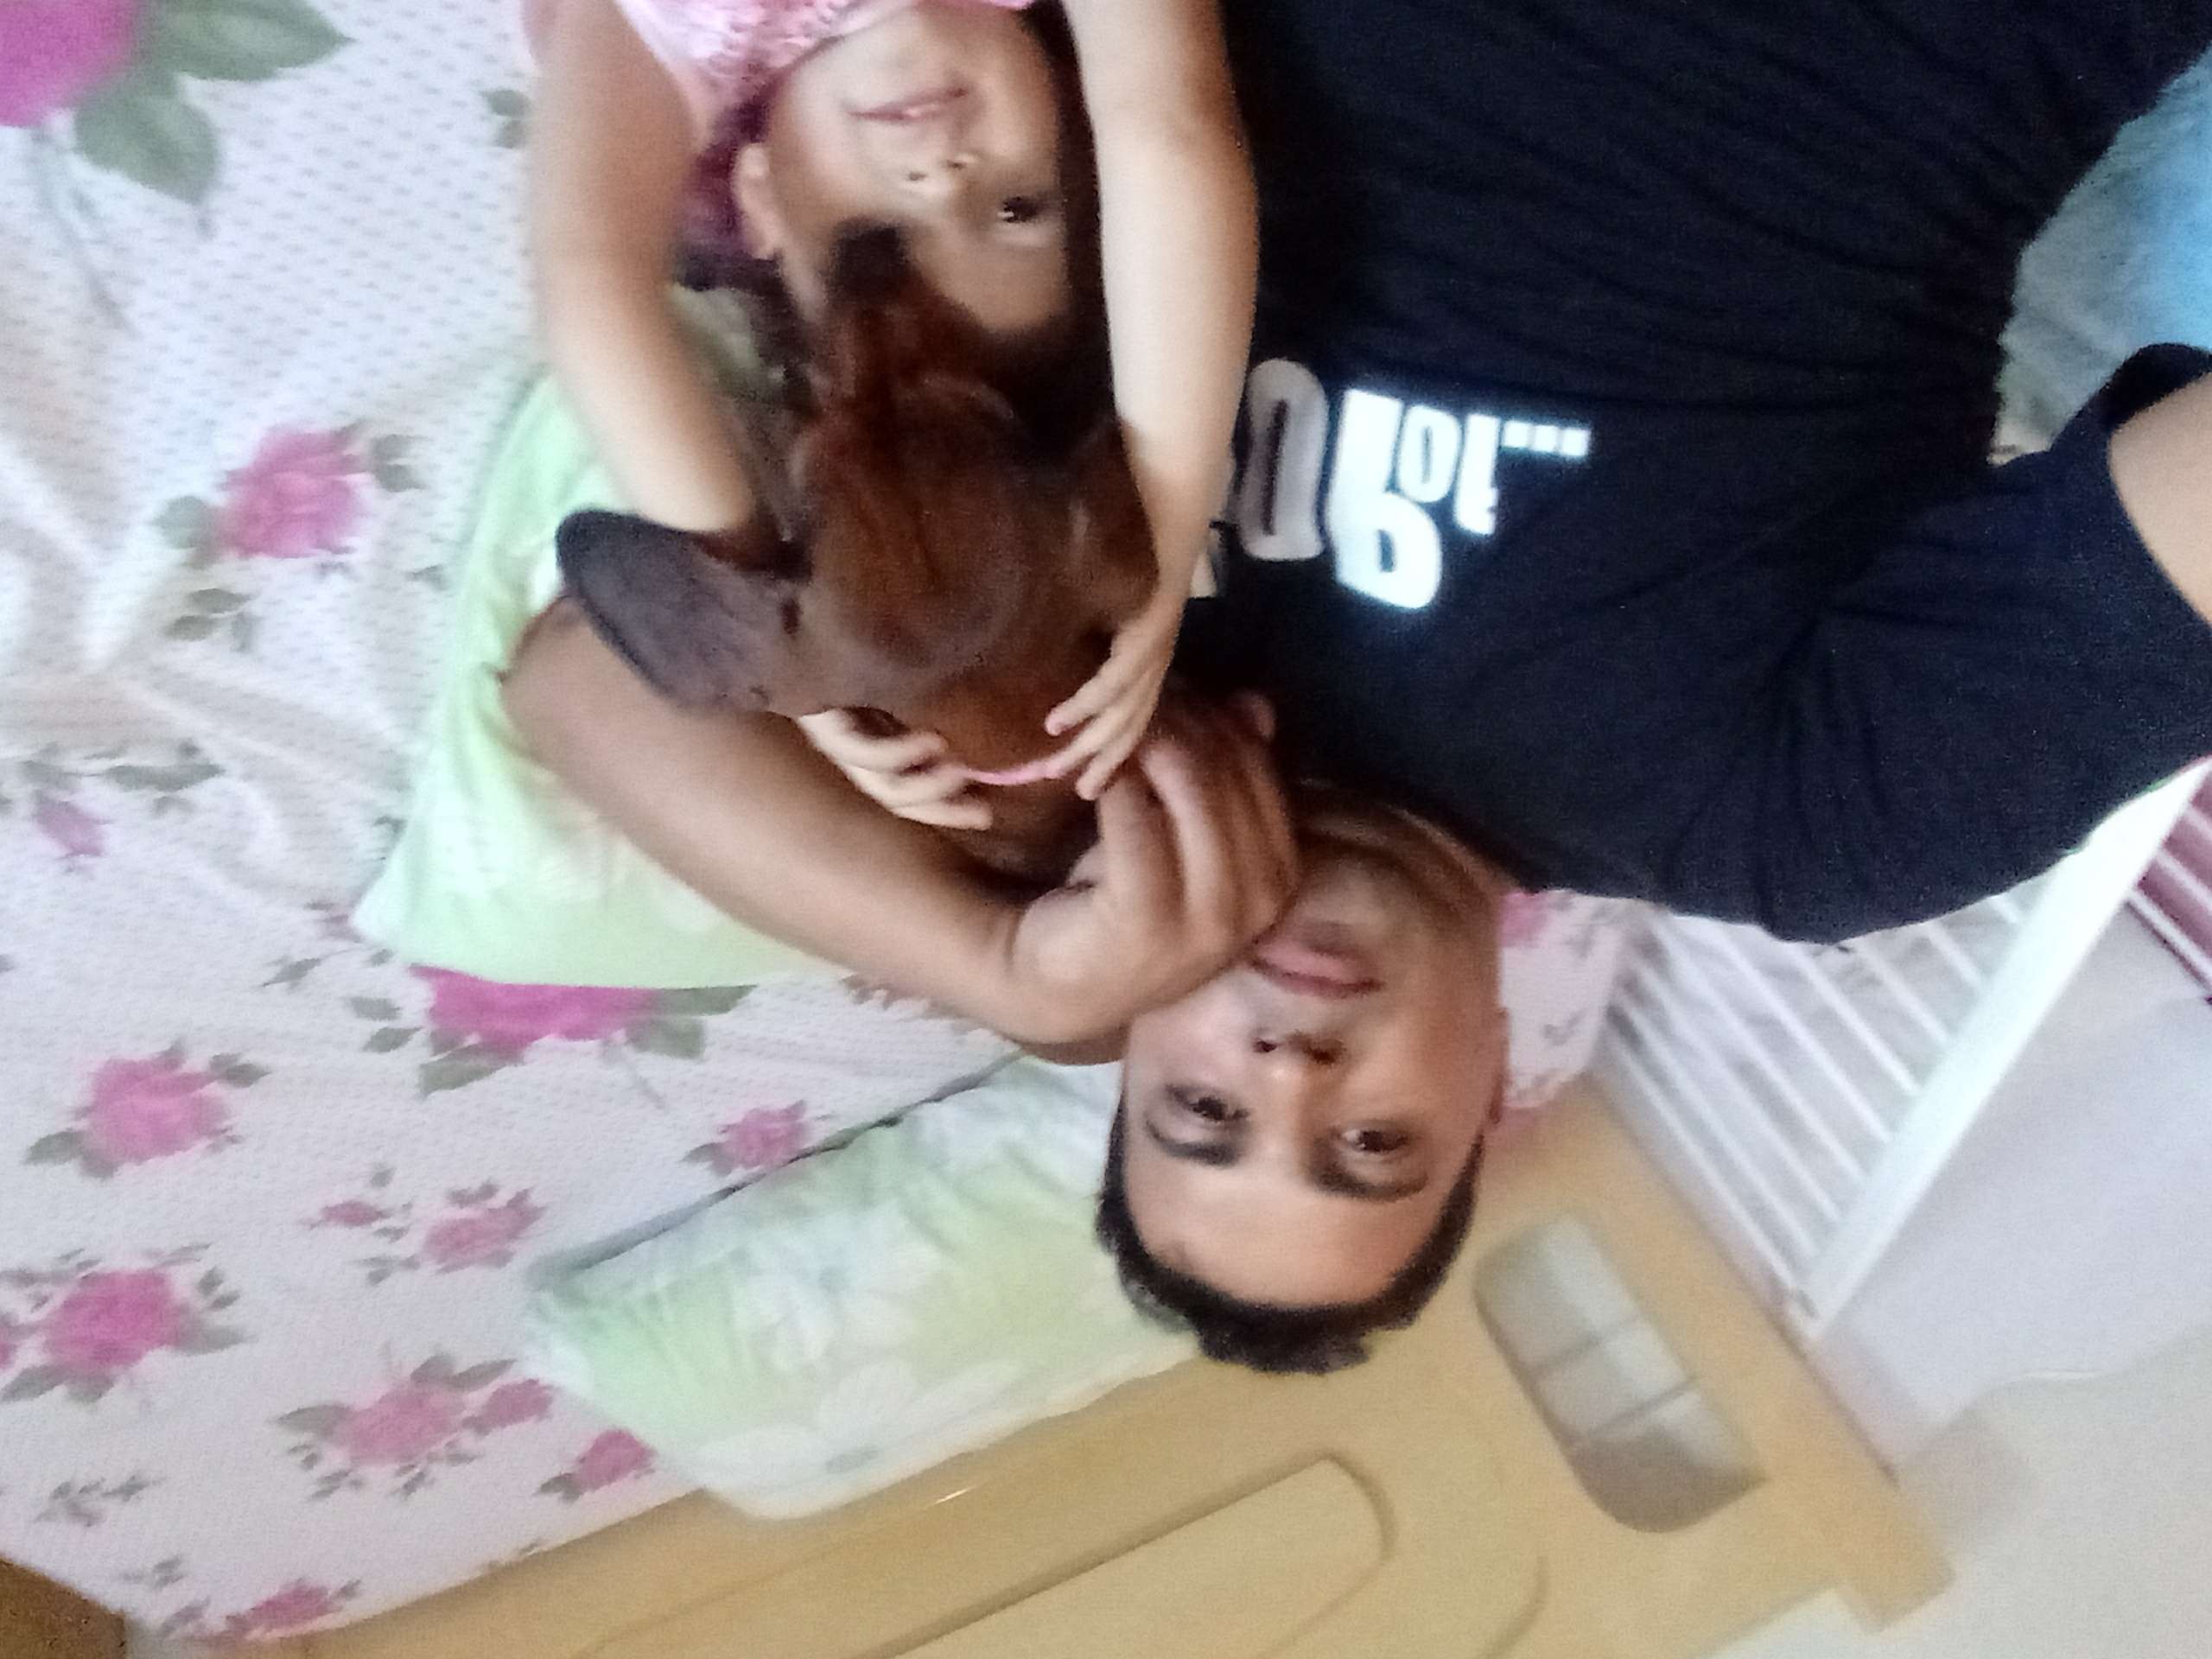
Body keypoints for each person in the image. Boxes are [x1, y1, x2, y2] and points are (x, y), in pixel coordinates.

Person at [508, 0, 2212, 1369]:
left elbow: (580, 684)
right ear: (1489, 1079)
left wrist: (1007, 968)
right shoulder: (1800, 826)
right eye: (1371, 1145)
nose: (1290, 1068)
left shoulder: (1078, 674)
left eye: (1199, 1109)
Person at [529, 0, 1255, 791]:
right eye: (1015, 208)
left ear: (759, 198)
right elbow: (1168, 126)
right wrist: (1167, 523)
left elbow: (590, 280)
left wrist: (760, 611)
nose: (940, 184)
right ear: (1075, 105)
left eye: (874, 245)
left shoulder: (681, 40)